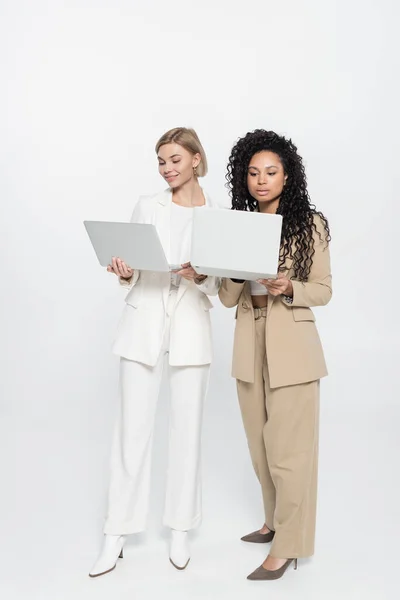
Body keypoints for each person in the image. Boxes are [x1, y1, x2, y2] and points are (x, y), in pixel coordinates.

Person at [89, 127, 221, 577]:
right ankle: (116, 532)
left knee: (188, 431)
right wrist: (123, 271)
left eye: (175, 160)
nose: (167, 169)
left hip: (190, 326)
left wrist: (201, 276)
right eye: (161, 161)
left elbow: (222, 285)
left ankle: (181, 527)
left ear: (196, 160)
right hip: (143, 321)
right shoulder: (148, 205)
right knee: (132, 432)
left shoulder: (217, 215)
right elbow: (128, 265)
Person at [219, 129, 332, 581]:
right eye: (253, 173)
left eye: (271, 172)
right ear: (243, 178)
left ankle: (289, 545)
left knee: (290, 452)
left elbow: (323, 290)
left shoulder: (310, 224)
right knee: (260, 443)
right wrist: (220, 268)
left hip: (292, 341)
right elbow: (228, 298)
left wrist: (290, 288)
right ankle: (273, 521)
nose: (261, 180)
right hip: (249, 337)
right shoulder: (237, 225)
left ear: (288, 176)